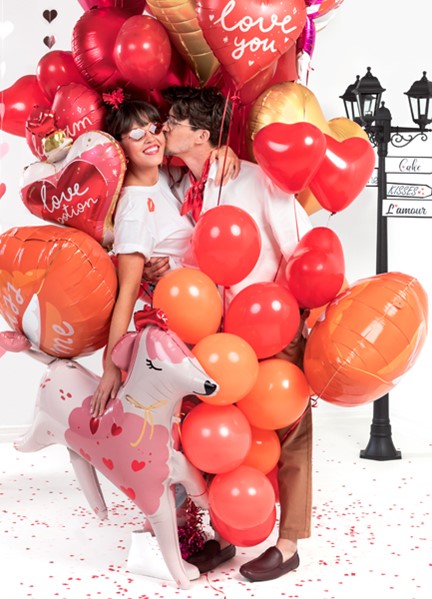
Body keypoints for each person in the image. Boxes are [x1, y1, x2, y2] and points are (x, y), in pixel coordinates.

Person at [158, 86, 314, 583]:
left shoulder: (257, 179)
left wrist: (301, 317)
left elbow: (300, 246)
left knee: (290, 429)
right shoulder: (188, 186)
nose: (165, 128)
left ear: (201, 135)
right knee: (217, 433)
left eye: (174, 122)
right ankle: (226, 535)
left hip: (273, 322)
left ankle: (288, 544)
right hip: (218, 334)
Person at [90, 93, 238, 418]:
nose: (151, 138)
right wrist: (111, 367)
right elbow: (127, 293)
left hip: (210, 311)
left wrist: (223, 151)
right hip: (185, 326)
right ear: (120, 148)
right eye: (136, 134)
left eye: (153, 128)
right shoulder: (134, 207)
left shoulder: (164, 177)